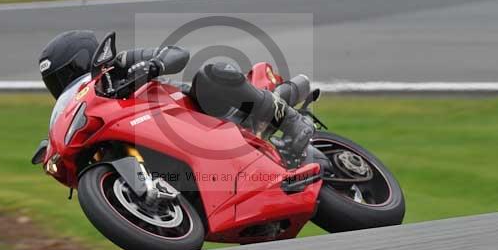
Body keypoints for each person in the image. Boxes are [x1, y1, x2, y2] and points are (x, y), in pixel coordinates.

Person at [39, 30, 315, 163]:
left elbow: (177, 52)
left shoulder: (118, 64)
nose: (62, 85)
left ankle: (291, 121)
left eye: (63, 75)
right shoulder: (85, 107)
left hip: (194, 110)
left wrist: (153, 65)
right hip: (162, 138)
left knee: (211, 75)